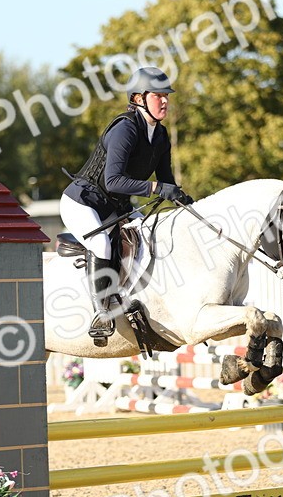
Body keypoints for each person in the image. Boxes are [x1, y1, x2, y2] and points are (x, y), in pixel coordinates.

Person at [60, 66, 193, 340]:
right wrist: (157, 188)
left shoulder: (161, 136)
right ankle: (102, 311)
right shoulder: (125, 129)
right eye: (158, 95)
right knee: (101, 244)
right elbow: (113, 181)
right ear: (138, 98)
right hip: (83, 202)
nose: (166, 100)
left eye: (167, 95)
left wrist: (185, 202)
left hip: (115, 207)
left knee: (149, 236)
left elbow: (166, 180)